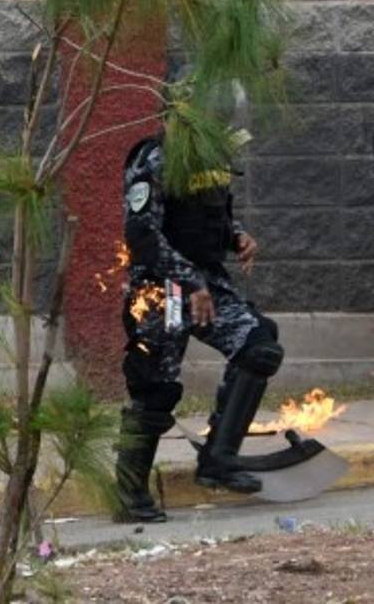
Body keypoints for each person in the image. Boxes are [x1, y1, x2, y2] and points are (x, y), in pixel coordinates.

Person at [113, 128, 282, 523]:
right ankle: (129, 494)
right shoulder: (154, 158)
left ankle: (218, 460)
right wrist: (190, 283)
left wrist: (237, 236)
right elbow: (141, 233)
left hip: (207, 285)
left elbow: (210, 215)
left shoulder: (211, 155)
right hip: (163, 290)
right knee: (155, 386)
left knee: (259, 347)